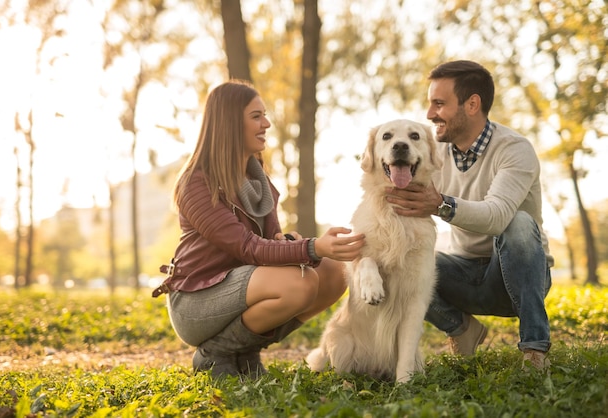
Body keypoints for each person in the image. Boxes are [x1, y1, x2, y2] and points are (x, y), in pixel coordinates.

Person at [152, 79, 365, 379]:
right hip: (198, 298)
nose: (266, 123)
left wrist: (292, 244)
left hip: (243, 287)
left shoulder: (259, 184)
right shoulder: (197, 183)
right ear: (229, 123)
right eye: (256, 116)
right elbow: (247, 247)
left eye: (264, 115)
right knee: (298, 283)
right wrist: (312, 247)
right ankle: (217, 352)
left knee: (333, 272)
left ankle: (243, 349)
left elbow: (267, 243)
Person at [386, 60, 553, 370]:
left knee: (518, 223)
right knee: (402, 260)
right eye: (430, 103)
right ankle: (461, 329)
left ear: (472, 104)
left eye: (439, 103)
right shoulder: (434, 154)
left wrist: (440, 204)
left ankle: (534, 349)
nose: (429, 114)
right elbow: (399, 200)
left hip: (513, 278)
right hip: (460, 273)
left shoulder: (514, 149)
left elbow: (497, 217)